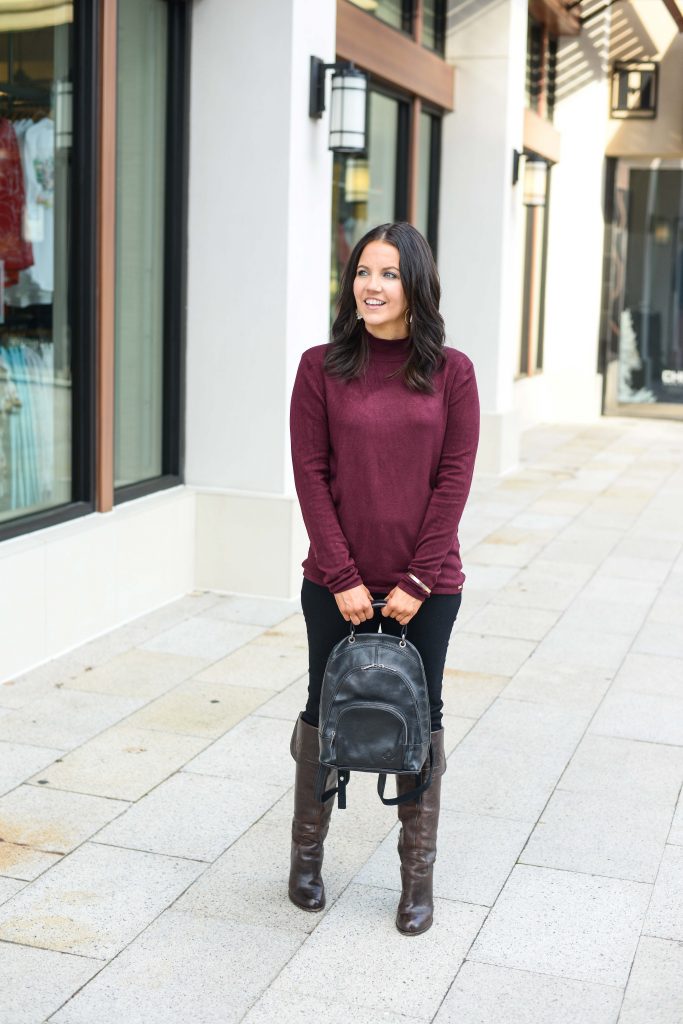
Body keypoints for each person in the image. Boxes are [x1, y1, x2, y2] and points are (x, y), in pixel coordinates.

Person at [288, 221, 480, 935]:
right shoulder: (321, 367)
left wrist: (418, 582)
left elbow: (453, 480)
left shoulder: (451, 372)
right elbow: (310, 474)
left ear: (415, 286)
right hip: (333, 582)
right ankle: (305, 860)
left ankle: (414, 882)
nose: (371, 285)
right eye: (363, 271)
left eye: (388, 274)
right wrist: (338, 573)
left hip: (426, 588)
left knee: (418, 718)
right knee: (323, 711)